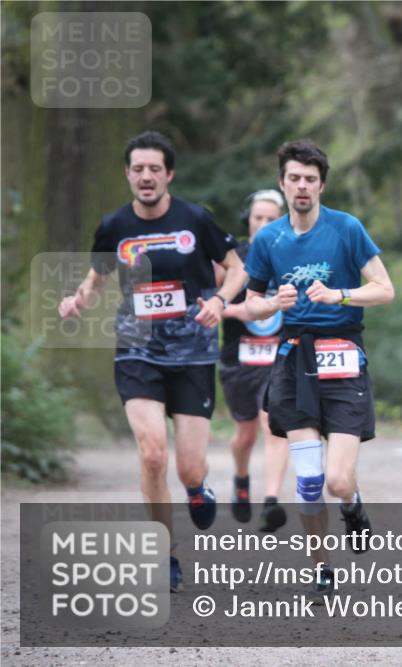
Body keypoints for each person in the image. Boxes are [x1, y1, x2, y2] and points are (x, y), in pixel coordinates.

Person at [58, 130, 245, 593]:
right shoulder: (114, 225)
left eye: (154, 169)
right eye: (138, 169)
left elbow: (238, 268)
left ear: (169, 174)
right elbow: (96, 276)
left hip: (193, 354)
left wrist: (220, 301)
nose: (146, 177)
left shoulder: (195, 219)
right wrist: (77, 301)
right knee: (152, 452)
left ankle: (198, 489)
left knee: (188, 468)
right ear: (127, 174)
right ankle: (165, 553)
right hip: (136, 350)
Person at [243, 140, 394, 591]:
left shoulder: (346, 229)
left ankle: (353, 504)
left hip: (343, 356)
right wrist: (271, 302)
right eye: (294, 178)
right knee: (309, 481)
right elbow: (250, 305)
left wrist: (339, 295)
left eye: (310, 179)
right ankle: (321, 569)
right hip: (293, 359)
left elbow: (385, 289)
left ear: (321, 184)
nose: (302, 186)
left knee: (338, 481)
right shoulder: (268, 239)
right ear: (283, 183)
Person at [217, 189, 290, 531]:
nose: (263, 224)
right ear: (248, 220)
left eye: (271, 218)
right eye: (258, 217)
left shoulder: (292, 257)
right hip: (238, 359)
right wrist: (238, 309)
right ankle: (241, 478)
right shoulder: (235, 260)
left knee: (273, 426)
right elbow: (211, 302)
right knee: (245, 434)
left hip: (279, 357)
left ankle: (271, 502)